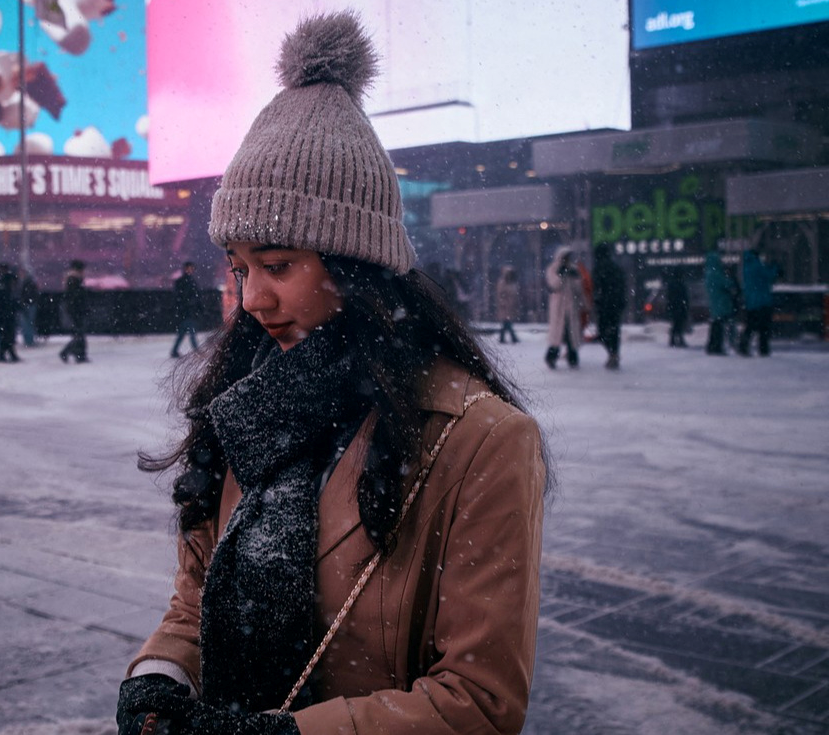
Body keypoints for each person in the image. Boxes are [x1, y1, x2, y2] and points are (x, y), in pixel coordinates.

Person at [117, 13, 547, 735]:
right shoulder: (244, 406)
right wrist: (159, 675)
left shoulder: (481, 440)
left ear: (355, 264)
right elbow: (197, 598)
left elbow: (479, 700)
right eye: (241, 267)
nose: (253, 298)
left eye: (279, 265)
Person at [544, 246, 585, 369]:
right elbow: (554, 285)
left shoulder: (573, 269)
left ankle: (573, 358)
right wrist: (561, 274)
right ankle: (551, 357)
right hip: (558, 308)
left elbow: (579, 289)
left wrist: (575, 277)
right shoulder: (553, 269)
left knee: (571, 334)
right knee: (557, 335)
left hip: (571, 309)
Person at [592, 243, 627, 369]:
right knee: (614, 330)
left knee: (603, 331)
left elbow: (596, 287)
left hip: (604, 305)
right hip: (615, 304)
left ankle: (612, 353)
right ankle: (614, 353)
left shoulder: (599, 268)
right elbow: (622, 286)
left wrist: (596, 301)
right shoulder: (615, 267)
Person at [738, 247, 779, 357]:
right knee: (764, 328)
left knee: (750, 326)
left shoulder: (746, 266)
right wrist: (775, 267)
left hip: (751, 302)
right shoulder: (757, 265)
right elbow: (768, 276)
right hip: (762, 301)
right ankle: (763, 348)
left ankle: (743, 345)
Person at [704, 252, 735, 355]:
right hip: (722, 302)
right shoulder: (716, 273)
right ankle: (716, 346)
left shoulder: (708, 273)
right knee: (719, 326)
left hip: (715, 303)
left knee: (716, 325)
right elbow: (727, 284)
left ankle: (713, 345)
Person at [59, 260, 89, 363]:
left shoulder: (74, 279)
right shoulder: (74, 279)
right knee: (79, 334)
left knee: (79, 334)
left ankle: (77, 354)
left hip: (76, 310)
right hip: (76, 310)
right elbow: (74, 297)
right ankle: (74, 353)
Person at [170, 261, 202, 358]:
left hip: (187, 311)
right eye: (189, 268)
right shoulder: (185, 281)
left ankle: (175, 351)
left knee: (182, 333)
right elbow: (181, 297)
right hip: (187, 311)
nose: (190, 270)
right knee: (191, 331)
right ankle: (196, 350)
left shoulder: (188, 281)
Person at [0, 263, 21, 363]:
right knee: (8, 334)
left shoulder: (1, 281)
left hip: (3, 312)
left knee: (4, 334)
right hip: (6, 312)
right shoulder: (6, 282)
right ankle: (7, 354)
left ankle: (4, 354)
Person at [495, 265, 521, 344]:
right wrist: (503, 302)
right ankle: (513, 337)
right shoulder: (502, 283)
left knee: (506, 322)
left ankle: (502, 337)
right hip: (505, 306)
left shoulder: (513, 283)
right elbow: (500, 294)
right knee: (507, 322)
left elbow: (515, 294)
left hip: (511, 306)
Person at [664, 268, 690, 347]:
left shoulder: (672, 284)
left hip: (675, 306)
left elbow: (669, 296)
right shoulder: (680, 284)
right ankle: (678, 339)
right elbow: (684, 296)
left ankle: (674, 339)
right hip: (679, 306)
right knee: (679, 323)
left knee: (676, 323)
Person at [19, 273, 41, 347]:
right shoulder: (31, 285)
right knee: (30, 323)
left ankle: (28, 340)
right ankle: (29, 340)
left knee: (26, 323)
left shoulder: (23, 285)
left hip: (26, 305)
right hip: (31, 305)